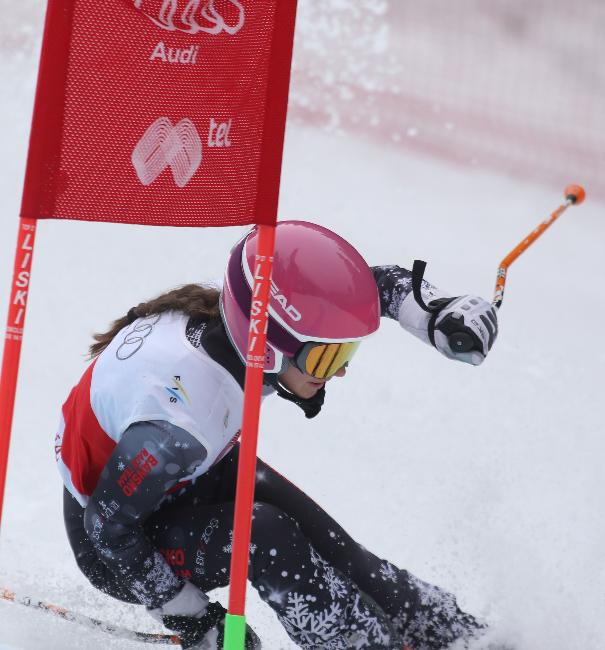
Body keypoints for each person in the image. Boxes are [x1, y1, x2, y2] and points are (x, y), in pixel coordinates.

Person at [56, 221, 498, 650]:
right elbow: (107, 528)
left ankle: (466, 637)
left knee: (337, 550)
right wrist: (190, 616)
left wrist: (434, 312)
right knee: (267, 535)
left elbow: (364, 289)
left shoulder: (247, 312)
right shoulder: (182, 427)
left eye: (346, 352)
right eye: (325, 359)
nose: (340, 371)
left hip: (184, 474)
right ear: (269, 349)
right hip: (121, 539)